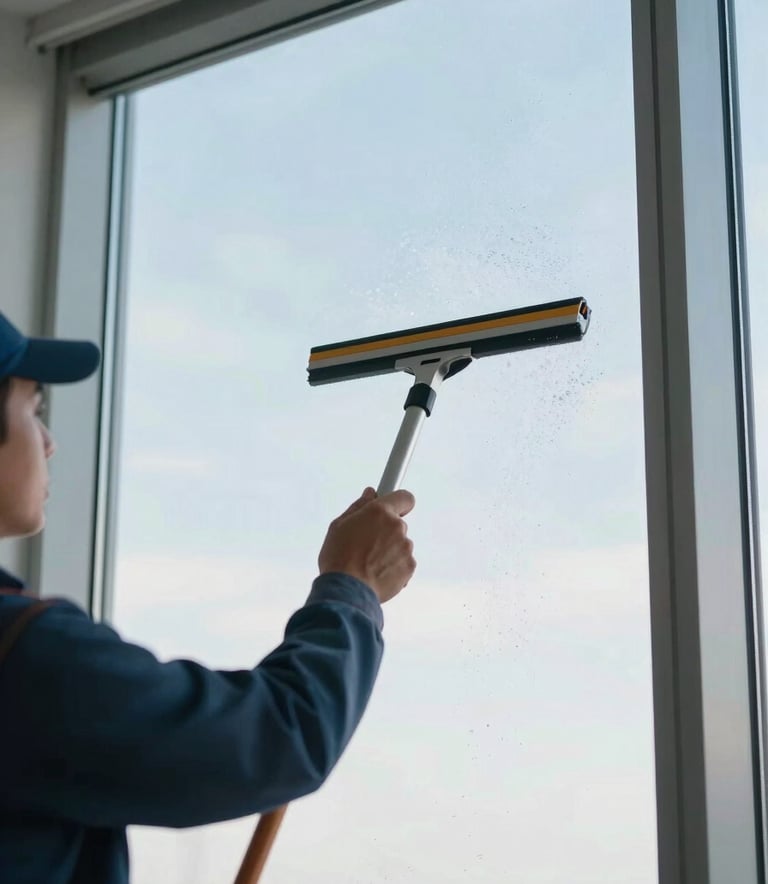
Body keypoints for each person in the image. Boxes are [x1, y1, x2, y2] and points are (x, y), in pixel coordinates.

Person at [0, 310, 417, 883]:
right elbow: (282, 735)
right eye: (33, 411)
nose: (47, 444)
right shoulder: (24, 658)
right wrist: (352, 587)